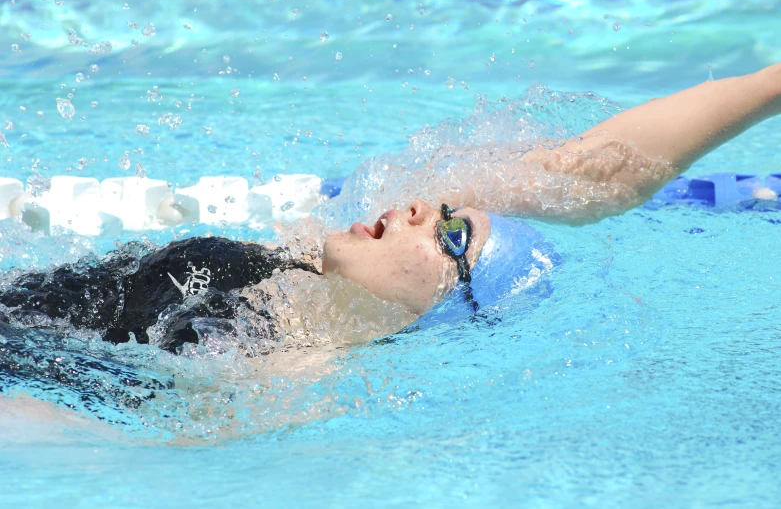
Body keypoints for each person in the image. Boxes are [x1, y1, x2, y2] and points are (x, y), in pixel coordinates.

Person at [1, 62, 779, 356]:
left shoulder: (289, 381)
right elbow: (591, 177)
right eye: (444, 206)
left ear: (450, 302)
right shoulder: (303, 256)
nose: (418, 206)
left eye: (449, 231)